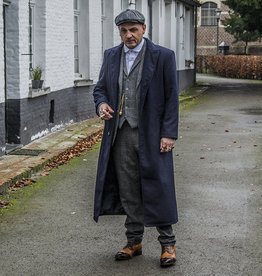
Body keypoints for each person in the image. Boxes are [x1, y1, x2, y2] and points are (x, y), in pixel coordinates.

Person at [93, 9, 179, 267]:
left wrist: (168, 133)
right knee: (128, 190)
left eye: (133, 29)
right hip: (120, 134)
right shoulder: (111, 56)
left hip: (152, 135)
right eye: (124, 30)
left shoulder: (163, 56)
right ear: (119, 32)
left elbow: (171, 98)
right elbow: (99, 89)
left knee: (158, 187)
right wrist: (102, 105)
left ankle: (167, 244)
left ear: (143, 29)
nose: (129, 35)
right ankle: (134, 241)